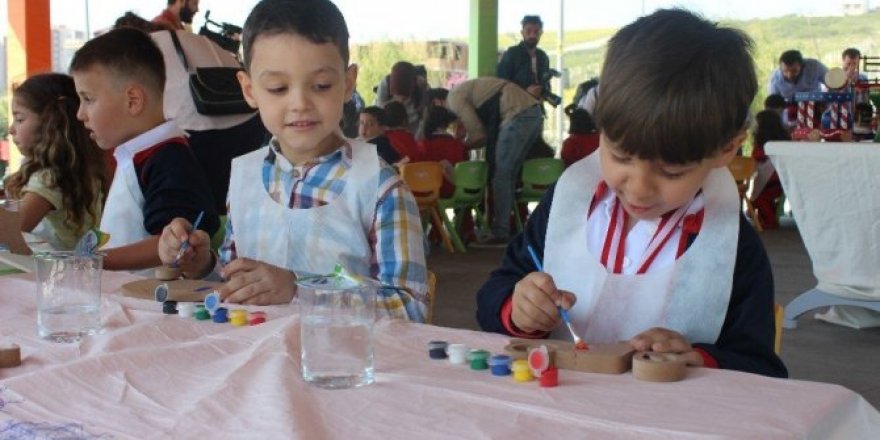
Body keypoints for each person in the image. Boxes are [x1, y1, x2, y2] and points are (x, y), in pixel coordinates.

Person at [475, 9, 787, 378]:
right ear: (601, 128)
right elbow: (493, 295)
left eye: (671, 171)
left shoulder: (731, 246)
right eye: (620, 156)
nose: (638, 187)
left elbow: (763, 370)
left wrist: (698, 359)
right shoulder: (568, 205)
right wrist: (518, 308)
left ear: (727, 148)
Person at [157, 0, 429, 322]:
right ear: (249, 90)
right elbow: (236, 284)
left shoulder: (380, 189)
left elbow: (410, 309)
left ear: (349, 83)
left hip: (340, 365)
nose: (299, 103)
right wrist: (202, 264)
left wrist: (300, 290)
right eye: (278, 88)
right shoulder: (245, 177)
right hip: (254, 359)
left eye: (321, 85)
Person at [70, 27, 219, 272]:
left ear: (133, 101)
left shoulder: (168, 159)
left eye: (88, 99)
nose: (80, 114)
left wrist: (95, 262)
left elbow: (172, 242)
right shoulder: (139, 155)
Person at [114, 11, 270, 215]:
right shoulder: (193, 38)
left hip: (199, 132)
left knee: (199, 209)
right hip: (251, 122)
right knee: (234, 200)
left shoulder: (143, 51)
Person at [3, 73, 107, 250]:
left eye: (20, 119)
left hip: (59, 272)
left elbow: (9, 231)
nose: (11, 129)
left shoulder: (50, 179)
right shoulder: (83, 169)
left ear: (50, 124)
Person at [447, 77, 542, 245]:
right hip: (532, 112)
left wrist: (459, 147)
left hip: (516, 113)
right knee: (509, 175)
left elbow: (478, 134)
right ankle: (505, 227)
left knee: (502, 175)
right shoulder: (466, 90)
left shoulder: (454, 98)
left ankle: (500, 230)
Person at [750, 110, 790, 230]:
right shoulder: (784, 142)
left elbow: (756, 159)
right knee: (760, 199)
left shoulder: (762, 146)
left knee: (758, 199)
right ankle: (767, 219)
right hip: (782, 181)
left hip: (769, 183)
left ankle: (769, 221)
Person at [497, 15, 551, 102]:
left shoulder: (543, 57)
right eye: (528, 31)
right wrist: (525, 92)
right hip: (516, 107)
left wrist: (545, 94)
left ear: (541, 33)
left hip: (537, 107)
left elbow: (546, 83)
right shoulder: (512, 53)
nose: (532, 35)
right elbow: (501, 82)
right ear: (522, 32)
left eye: (536, 32)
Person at [418, 106, 468, 197]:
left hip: (429, 191)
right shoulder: (459, 145)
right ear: (447, 122)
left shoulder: (423, 145)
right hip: (456, 190)